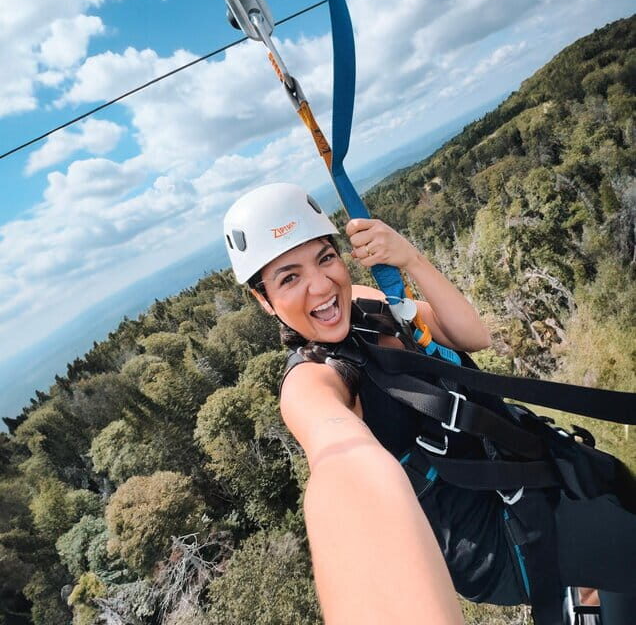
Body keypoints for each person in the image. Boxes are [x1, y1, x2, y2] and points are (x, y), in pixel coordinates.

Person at [223, 182, 636, 625]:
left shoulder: (364, 303)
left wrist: (409, 257)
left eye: (325, 258)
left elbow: (471, 336)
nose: (321, 285)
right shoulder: (312, 380)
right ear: (263, 300)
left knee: (621, 498)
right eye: (289, 278)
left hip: (534, 469)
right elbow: (339, 463)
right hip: (502, 537)